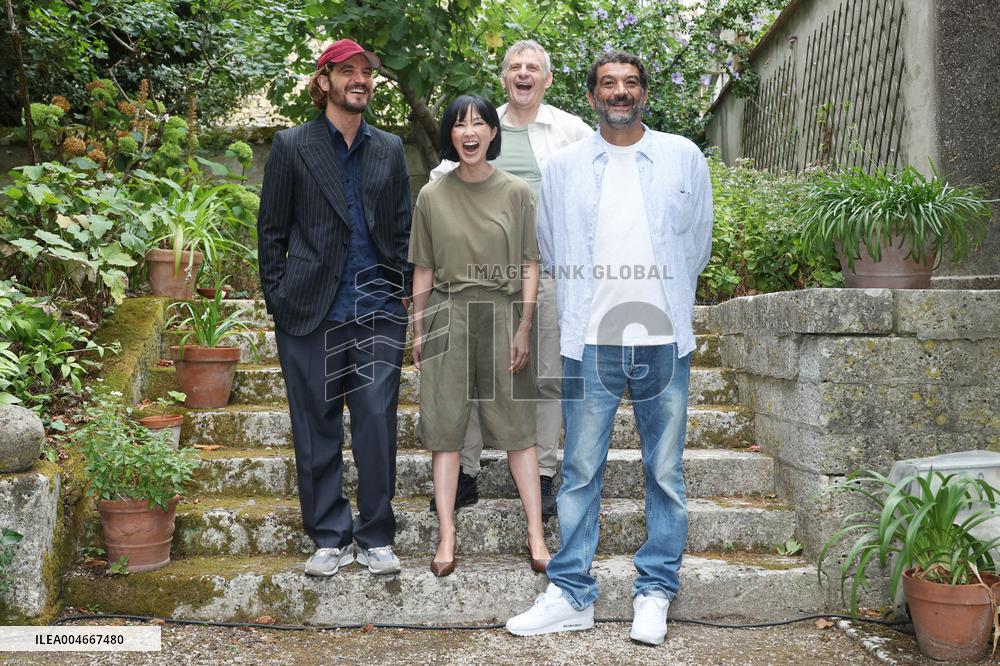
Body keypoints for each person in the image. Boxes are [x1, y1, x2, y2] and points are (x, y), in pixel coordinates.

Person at [505, 51, 713, 645]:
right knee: (578, 472)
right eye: (607, 85)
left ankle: (654, 591)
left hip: (663, 338)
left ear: (644, 92)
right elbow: (548, 240)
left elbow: (697, 241)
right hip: (589, 341)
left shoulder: (682, 156)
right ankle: (571, 593)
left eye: (629, 84)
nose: (619, 93)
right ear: (593, 95)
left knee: (665, 472)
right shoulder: (566, 167)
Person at [256, 39, 413, 578]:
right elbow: (271, 232)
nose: (360, 80)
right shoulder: (291, 146)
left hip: (377, 310)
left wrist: (401, 297)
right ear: (324, 80)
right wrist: (280, 299)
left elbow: (400, 227)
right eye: (348, 71)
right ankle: (328, 534)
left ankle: (375, 535)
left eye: (366, 72)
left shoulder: (389, 149)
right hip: (309, 311)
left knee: (375, 422)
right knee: (315, 424)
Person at [428, 40, 592, 518]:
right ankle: (467, 471)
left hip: (550, 269)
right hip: (485, 274)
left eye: (533, 68)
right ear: (504, 78)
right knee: (476, 376)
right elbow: (445, 178)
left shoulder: (572, 131)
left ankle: (540, 472)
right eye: (515, 67)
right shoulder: (483, 125)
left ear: (548, 79)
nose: (523, 74)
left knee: (543, 374)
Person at [409, 94, 552, 577]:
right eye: (459, 124)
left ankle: (536, 531)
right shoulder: (431, 195)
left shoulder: (517, 192)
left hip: (502, 311)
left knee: (518, 430)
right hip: (447, 315)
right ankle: (447, 535)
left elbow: (530, 263)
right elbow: (424, 267)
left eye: (479, 123)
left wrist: (525, 325)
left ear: (493, 133)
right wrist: (417, 329)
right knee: (446, 431)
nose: (469, 132)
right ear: (450, 134)